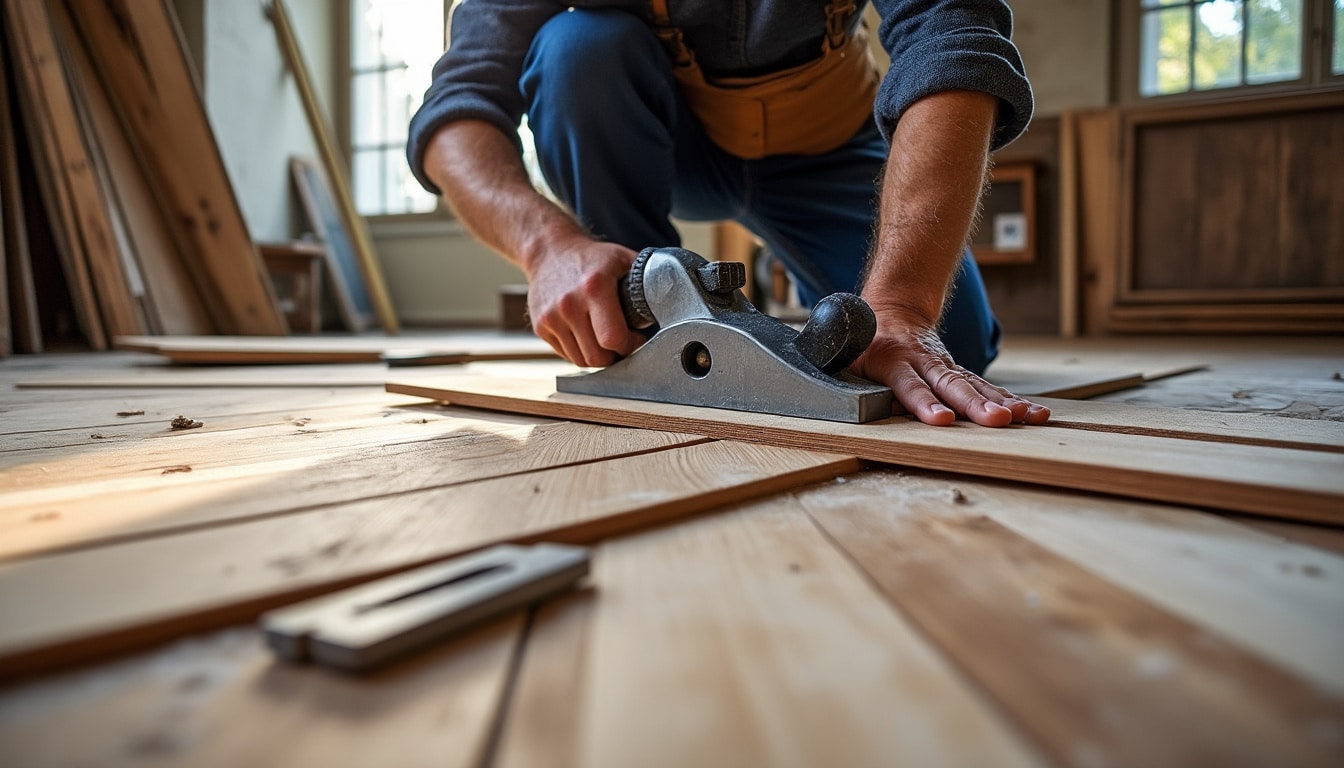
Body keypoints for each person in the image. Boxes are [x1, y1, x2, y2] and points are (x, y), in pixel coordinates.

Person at [407, 0, 1051, 427]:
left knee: (941, 351)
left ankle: (815, 301)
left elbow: (953, 36)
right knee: (577, 48)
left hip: (824, 146)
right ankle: (639, 327)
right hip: (668, 142)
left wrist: (904, 303)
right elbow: (457, 109)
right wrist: (546, 246)